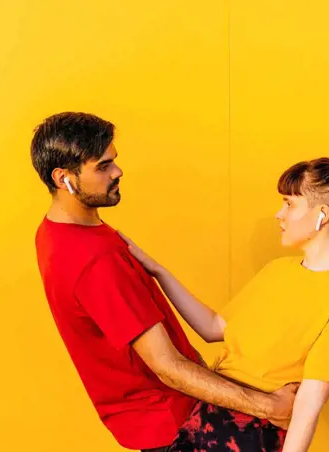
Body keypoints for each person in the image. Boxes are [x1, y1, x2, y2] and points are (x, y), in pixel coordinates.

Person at [30, 112, 297, 452]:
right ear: (63, 178)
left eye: (114, 161)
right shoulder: (95, 260)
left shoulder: (54, 232)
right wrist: (270, 407)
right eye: (102, 167)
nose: (117, 172)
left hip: (161, 417)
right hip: (176, 425)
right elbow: (167, 367)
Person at [120, 157, 329, 451]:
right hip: (203, 418)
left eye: (289, 204)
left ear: (322, 214)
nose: (279, 214)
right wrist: (158, 272)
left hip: (249, 437)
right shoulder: (278, 270)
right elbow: (213, 328)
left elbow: (307, 406)